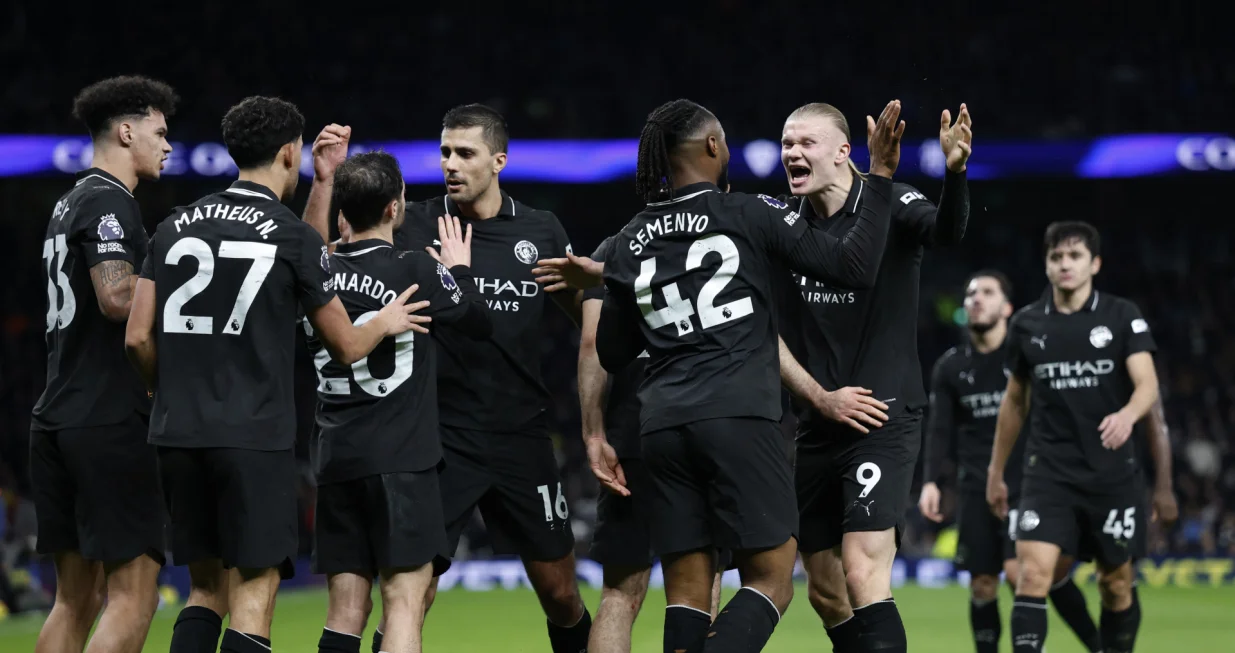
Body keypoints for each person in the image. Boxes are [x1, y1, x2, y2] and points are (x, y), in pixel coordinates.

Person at [595, 98, 902, 653]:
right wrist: (879, 175)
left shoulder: (627, 240)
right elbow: (853, 266)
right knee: (771, 578)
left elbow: (613, 352)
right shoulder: (748, 213)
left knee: (687, 592)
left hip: (661, 426)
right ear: (713, 146)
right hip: (738, 415)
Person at [124, 96, 429, 653]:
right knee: (254, 593)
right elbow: (344, 344)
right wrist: (384, 322)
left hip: (176, 432)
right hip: (252, 438)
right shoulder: (288, 236)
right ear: (290, 153)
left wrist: (161, 386)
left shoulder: (172, 227)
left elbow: (137, 336)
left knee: (204, 590)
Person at [302, 104, 591, 653]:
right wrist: (323, 185)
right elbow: (319, 264)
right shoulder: (410, 221)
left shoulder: (540, 229)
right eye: (444, 152)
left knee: (559, 591)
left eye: (465, 153)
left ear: (498, 160)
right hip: (438, 439)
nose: (450, 164)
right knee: (415, 591)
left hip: (520, 435)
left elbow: (585, 319)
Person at [772, 101, 971, 653]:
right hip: (816, 422)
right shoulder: (785, 224)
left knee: (862, 572)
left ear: (843, 152)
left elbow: (948, 233)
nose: (791, 153)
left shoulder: (895, 200)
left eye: (805, 143)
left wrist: (954, 174)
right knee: (825, 591)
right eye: (787, 144)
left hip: (883, 416)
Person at [307, 152, 492, 653]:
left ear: (343, 209)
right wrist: (458, 270)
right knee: (403, 602)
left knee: (345, 609)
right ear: (395, 207)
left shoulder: (314, 271)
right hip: (402, 461)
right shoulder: (414, 268)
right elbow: (477, 321)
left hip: (336, 458)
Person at [29, 74, 176, 653]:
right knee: (133, 595)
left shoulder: (68, 203)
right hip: (108, 419)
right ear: (125, 130)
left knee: (75, 600)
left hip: (56, 418)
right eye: (159, 133)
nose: (168, 145)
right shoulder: (111, 200)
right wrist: (184, 282)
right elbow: (117, 298)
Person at [987, 221, 1160, 653]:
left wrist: (1127, 414)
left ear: (1094, 263)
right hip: (1048, 473)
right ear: (1046, 265)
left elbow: (1148, 386)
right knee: (1031, 576)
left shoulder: (1122, 316)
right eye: (1056, 257)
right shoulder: (1026, 324)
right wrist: (995, 471)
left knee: (1116, 584)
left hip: (1111, 475)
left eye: (1074, 256)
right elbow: (1014, 403)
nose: (1065, 265)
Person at [919, 270, 1103, 653]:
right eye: (970, 293)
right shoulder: (950, 367)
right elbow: (939, 430)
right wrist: (931, 480)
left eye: (987, 292)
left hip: (1028, 482)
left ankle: (1097, 645)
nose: (976, 299)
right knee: (982, 584)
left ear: (1007, 308)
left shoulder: (1024, 359)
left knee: (1026, 574)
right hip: (975, 489)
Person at [576, 236, 724, 653]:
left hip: (632, 435)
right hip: (700, 432)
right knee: (701, 583)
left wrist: (594, 433)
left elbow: (591, 344)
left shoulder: (612, 248)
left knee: (620, 593)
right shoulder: (717, 236)